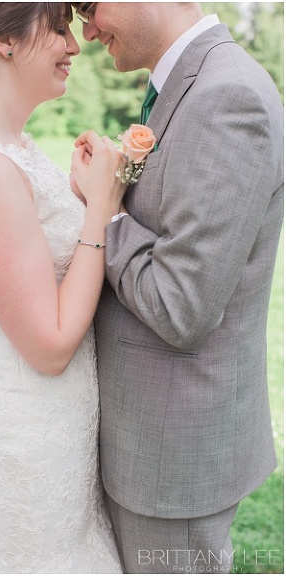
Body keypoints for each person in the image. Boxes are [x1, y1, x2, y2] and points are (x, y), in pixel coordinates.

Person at [74, 2, 283, 573]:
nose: (86, 31)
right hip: (147, 441)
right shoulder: (189, 84)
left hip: (173, 460)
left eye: (87, 8)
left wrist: (105, 215)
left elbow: (181, 305)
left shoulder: (226, 98)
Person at [0, 2, 127, 572]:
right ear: (5, 42)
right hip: (24, 437)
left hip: (53, 426)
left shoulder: (13, 146)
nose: (74, 45)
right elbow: (50, 344)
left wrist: (84, 197)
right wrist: (99, 214)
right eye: (58, 28)